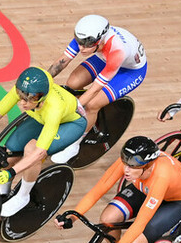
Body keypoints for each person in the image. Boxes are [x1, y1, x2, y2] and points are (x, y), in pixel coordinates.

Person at [0, 66, 87, 216]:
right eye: (21, 96)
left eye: (30, 99)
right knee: (9, 151)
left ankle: (23, 196)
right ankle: (4, 189)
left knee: (31, 150)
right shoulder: (24, 89)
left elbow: (39, 153)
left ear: (42, 97)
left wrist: (12, 172)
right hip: (41, 118)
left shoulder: (54, 108)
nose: (23, 103)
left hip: (70, 124)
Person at [46, 14, 147, 163]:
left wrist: (74, 108)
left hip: (129, 72)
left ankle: (74, 145)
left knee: (91, 104)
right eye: (79, 42)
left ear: (100, 39)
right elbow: (62, 61)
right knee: (73, 83)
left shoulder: (118, 50)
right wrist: (44, 80)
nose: (81, 48)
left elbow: (94, 89)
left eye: (86, 45)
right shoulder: (86, 37)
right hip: (103, 58)